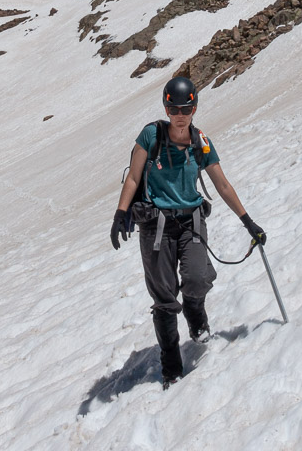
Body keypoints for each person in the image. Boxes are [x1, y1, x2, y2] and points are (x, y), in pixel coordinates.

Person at [110, 76, 266, 388]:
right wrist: (120, 213)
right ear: (166, 108)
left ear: (194, 107)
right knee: (165, 298)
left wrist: (248, 221)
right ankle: (171, 368)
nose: (180, 114)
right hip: (156, 227)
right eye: (173, 107)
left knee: (198, 278)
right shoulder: (150, 136)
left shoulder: (200, 141)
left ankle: (196, 312)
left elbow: (222, 184)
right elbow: (133, 177)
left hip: (191, 220)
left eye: (185, 107)